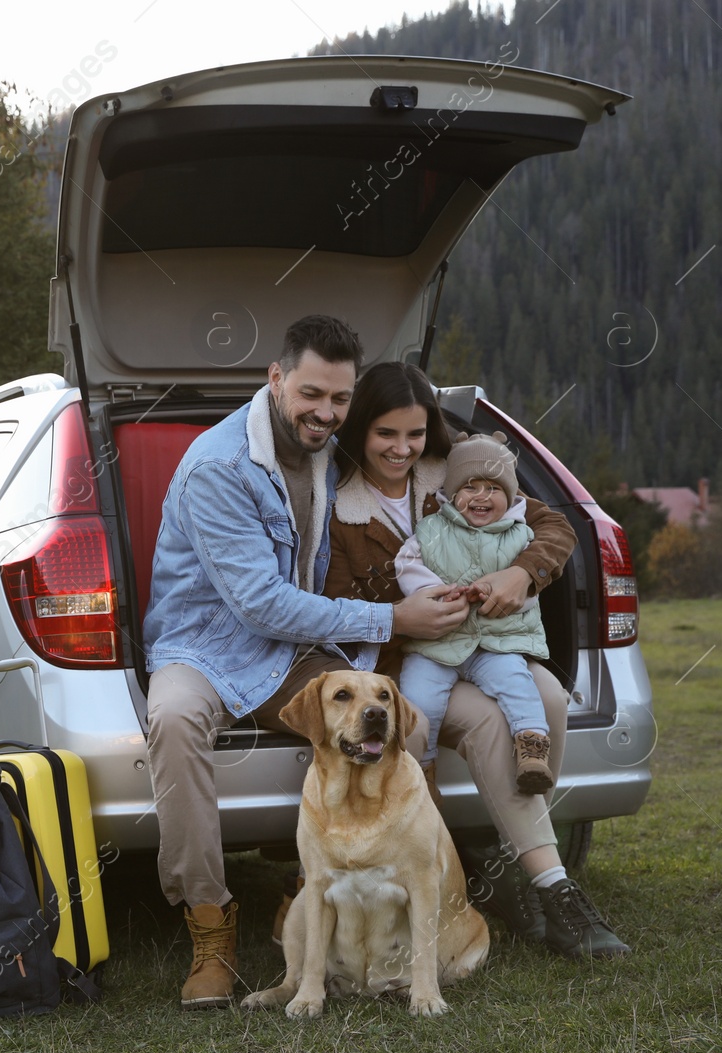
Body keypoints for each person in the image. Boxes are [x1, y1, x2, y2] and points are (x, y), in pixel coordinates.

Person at [142, 316, 475, 1010]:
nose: (326, 412)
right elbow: (261, 604)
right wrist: (391, 619)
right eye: (311, 394)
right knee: (173, 721)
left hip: (289, 649)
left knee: (384, 726)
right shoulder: (217, 467)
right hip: (205, 643)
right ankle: (211, 926)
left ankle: (353, 890)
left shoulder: (332, 447)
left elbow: (417, 452)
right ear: (275, 378)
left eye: (340, 398)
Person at [323, 361, 630, 961]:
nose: (402, 448)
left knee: (548, 699)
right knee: (492, 721)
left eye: (414, 434)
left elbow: (554, 526)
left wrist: (522, 572)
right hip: (409, 657)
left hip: (493, 642)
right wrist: (404, 613)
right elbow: (336, 602)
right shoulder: (337, 505)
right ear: (360, 430)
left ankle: (518, 865)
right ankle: (548, 883)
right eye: (386, 434)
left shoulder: (459, 470)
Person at [395, 431, 555, 796]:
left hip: (494, 641)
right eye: (470, 487)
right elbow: (406, 565)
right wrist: (431, 592)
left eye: (494, 489)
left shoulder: (520, 536)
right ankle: (423, 768)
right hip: (436, 644)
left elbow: (530, 591)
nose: (482, 496)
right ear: (451, 494)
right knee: (419, 697)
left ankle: (531, 746)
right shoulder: (431, 529)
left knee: (517, 682)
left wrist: (505, 592)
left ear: (511, 497)